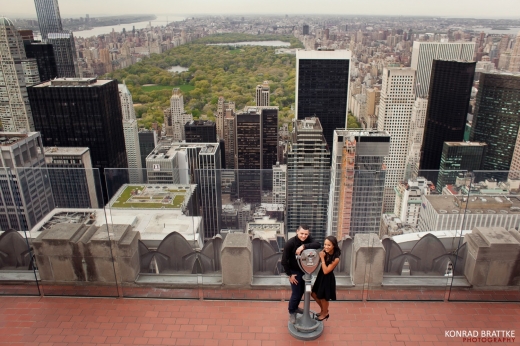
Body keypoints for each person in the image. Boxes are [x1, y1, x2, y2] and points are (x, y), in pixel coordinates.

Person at [281, 224, 321, 324]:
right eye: (302, 233)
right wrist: (289, 274)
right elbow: (284, 261)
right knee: (296, 293)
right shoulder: (290, 243)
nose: (304, 236)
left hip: (306, 270)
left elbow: (318, 244)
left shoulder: (308, 240)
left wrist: (303, 246)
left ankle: (296, 308)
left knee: (303, 292)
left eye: (306, 234)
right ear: (297, 231)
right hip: (295, 272)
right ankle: (292, 312)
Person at [311, 235, 341, 322]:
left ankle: (324, 313)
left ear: (334, 246)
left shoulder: (336, 258)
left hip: (327, 279)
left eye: (329, 245)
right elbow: (318, 261)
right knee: (313, 294)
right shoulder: (325, 252)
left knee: (323, 298)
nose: (326, 247)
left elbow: (326, 271)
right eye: (325, 244)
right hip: (320, 277)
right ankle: (325, 311)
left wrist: (322, 258)